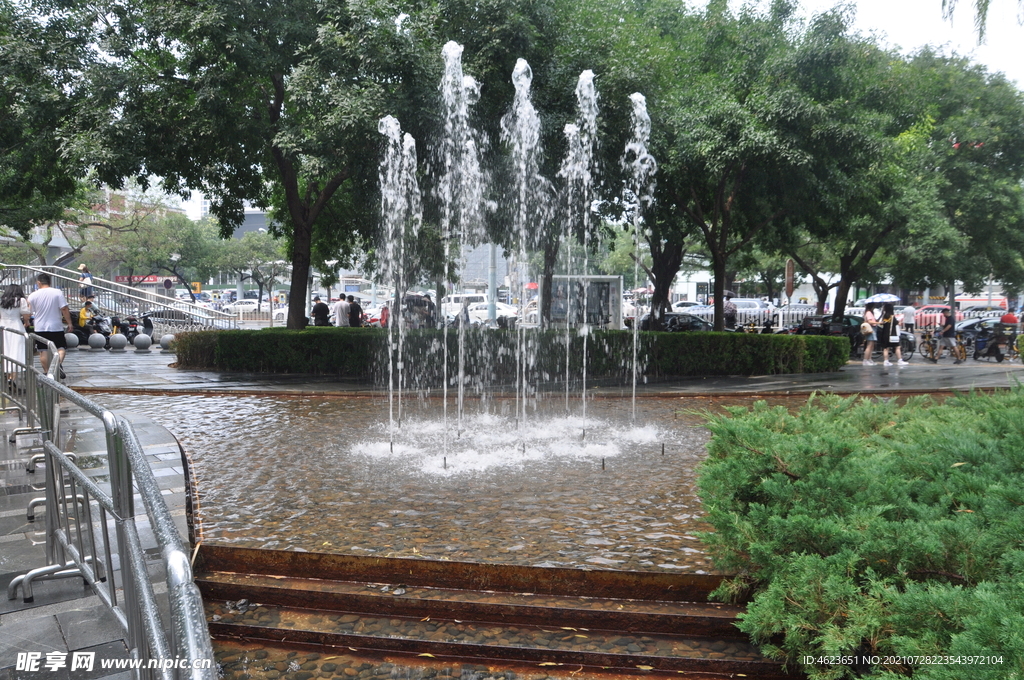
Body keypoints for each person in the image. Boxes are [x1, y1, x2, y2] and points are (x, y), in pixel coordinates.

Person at [27, 273, 73, 378]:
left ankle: (48, 373)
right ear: (50, 282)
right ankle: (58, 364)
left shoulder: (33, 295)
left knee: (43, 350)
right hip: (56, 326)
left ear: (38, 282)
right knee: (61, 348)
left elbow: (29, 311)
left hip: (40, 327)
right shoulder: (57, 293)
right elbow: (64, 309)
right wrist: (69, 323)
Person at [0, 284, 31, 389]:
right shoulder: (20, 300)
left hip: (3, 327)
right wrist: (27, 322)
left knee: (5, 351)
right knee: (16, 352)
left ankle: (7, 375)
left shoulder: (1, 300)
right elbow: (26, 315)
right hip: (16, 326)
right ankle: (11, 378)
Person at [878, 302, 909, 367]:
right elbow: (896, 323)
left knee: (886, 348)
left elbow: (882, 323)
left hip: (885, 333)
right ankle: (900, 360)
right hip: (892, 334)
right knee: (897, 347)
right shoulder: (892, 316)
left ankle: (886, 361)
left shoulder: (885, 315)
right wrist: (899, 322)